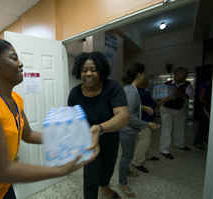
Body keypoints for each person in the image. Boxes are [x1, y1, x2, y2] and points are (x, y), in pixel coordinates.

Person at [0, 38, 99, 199]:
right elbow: (3, 171)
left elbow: (28, 135)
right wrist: (61, 170)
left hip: (1, 188)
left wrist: (69, 139)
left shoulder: (15, 99)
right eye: (14, 58)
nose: (21, 63)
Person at [68, 52, 129, 199]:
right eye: (84, 70)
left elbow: (123, 116)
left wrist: (99, 128)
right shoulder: (75, 93)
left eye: (93, 69)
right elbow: (73, 120)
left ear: (101, 71)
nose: (88, 73)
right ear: (79, 72)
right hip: (88, 141)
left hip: (110, 137)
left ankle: (105, 187)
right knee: (90, 176)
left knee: (108, 169)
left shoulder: (112, 87)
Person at [120, 63, 160, 198]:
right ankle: (123, 183)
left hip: (127, 129)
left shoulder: (129, 88)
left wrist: (143, 108)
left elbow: (128, 105)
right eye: (143, 73)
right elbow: (129, 116)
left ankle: (127, 171)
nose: (144, 76)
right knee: (126, 157)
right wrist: (148, 124)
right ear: (139, 74)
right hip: (127, 130)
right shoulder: (131, 90)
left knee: (129, 155)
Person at [158, 67, 194, 159]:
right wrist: (165, 98)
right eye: (178, 74)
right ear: (175, 75)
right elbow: (160, 96)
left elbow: (190, 96)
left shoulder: (188, 84)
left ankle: (179, 144)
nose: (180, 76)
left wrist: (179, 93)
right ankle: (164, 150)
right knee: (166, 129)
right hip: (166, 108)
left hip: (179, 109)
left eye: (183, 74)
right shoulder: (167, 84)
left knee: (180, 127)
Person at [132, 78, 160, 174]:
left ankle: (145, 155)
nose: (147, 81)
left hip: (145, 119)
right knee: (144, 139)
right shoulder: (137, 92)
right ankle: (137, 162)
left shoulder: (142, 91)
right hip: (142, 120)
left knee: (144, 140)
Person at [194, 67, 212, 150]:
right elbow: (201, 97)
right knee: (203, 125)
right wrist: (206, 104)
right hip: (205, 107)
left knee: (206, 125)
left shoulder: (206, 83)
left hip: (205, 106)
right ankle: (198, 142)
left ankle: (203, 140)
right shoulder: (205, 84)